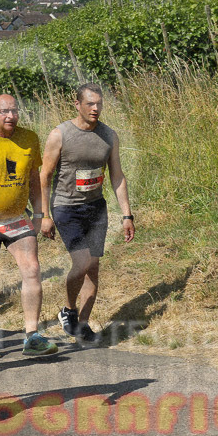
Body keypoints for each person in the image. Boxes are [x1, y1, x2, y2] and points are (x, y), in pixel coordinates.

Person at [0, 94, 58, 359]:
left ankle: (32, 335)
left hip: (17, 218)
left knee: (33, 270)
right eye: (4, 111)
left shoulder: (29, 139)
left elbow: (34, 179)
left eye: (15, 111)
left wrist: (41, 214)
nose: (11, 116)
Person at [40, 83, 135, 344]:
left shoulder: (109, 135)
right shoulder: (60, 134)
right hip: (66, 207)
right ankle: (69, 310)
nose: (95, 109)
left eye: (99, 104)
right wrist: (44, 214)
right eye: (90, 104)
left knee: (92, 267)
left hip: (95, 207)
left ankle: (83, 325)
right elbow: (45, 175)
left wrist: (127, 215)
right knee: (81, 263)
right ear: (78, 105)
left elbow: (117, 175)